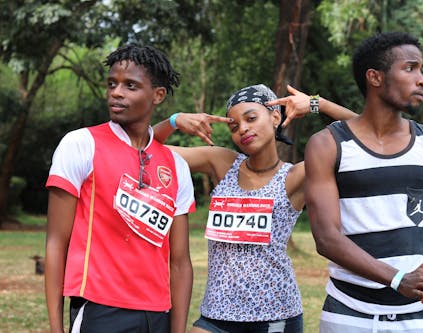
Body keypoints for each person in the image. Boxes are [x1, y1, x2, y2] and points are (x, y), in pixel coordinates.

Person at [153, 83, 357, 333]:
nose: (243, 129)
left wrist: (317, 104)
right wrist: (174, 121)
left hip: (276, 316)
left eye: (251, 118)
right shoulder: (221, 162)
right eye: (234, 126)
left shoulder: (296, 176)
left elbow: (364, 135)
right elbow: (145, 149)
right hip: (217, 315)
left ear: (275, 116)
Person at [303, 32, 423, 332]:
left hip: (422, 315)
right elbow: (326, 238)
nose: (422, 79)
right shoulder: (327, 145)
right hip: (349, 313)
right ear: (375, 77)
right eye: (410, 68)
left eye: (421, 69)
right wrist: (397, 278)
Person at [45, 45, 196, 333]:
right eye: (112, 83)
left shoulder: (176, 167)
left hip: (158, 314)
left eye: (131, 86)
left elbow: (180, 262)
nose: (116, 92)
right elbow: (55, 243)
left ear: (158, 95)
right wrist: (55, 328)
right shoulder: (81, 145)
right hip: (100, 310)